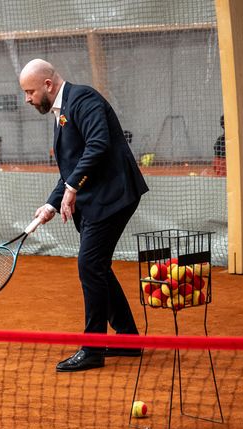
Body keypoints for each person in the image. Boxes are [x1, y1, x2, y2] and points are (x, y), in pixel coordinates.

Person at [19, 58, 149, 372]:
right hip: (97, 198)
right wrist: (52, 204)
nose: (27, 98)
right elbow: (71, 167)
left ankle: (92, 349)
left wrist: (73, 187)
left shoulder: (83, 99)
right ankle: (128, 340)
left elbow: (98, 144)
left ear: (48, 85)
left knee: (90, 264)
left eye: (30, 91)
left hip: (113, 196)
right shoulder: (61, 111)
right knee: (98, 266)